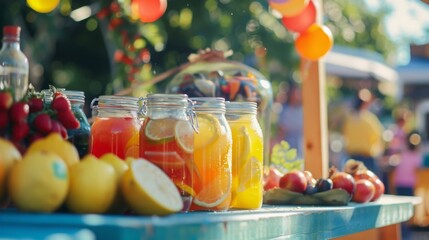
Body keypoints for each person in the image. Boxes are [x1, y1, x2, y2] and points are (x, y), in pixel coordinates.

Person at [342, 89, 385, 177]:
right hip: (366, 158)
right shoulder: (369, 119)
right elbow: (379, 137)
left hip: (352, 157)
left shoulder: (349, 119)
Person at [277, 84, 303, 160]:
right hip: (288, 145)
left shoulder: (303, 110)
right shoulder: (285, 110)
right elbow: (282, 130)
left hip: (301, 145)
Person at [394, 130, 423, 196]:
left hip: (399, 182)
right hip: (409, 184)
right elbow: (417, 170)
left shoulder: (402, 152)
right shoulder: (417, 156)